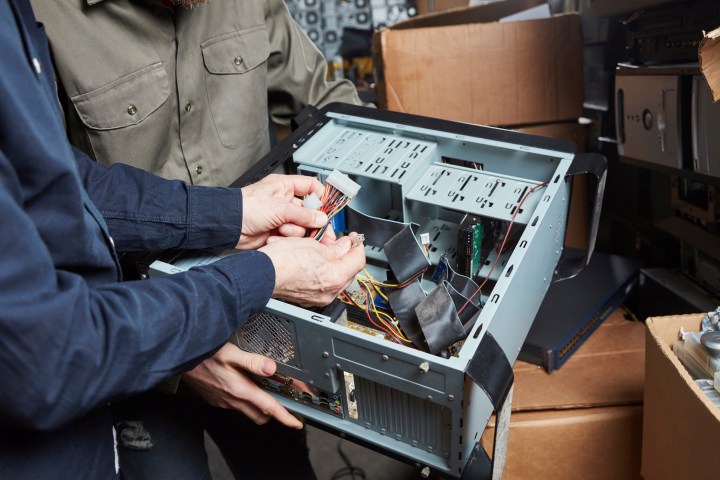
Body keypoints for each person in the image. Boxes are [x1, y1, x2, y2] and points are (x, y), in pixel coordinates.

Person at [0, 1, 366, 478]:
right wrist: (190, 349)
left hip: (260, 330)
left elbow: (75, 184)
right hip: (136, 354)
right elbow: (47, 339)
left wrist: (238, 213)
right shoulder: (45, 17)